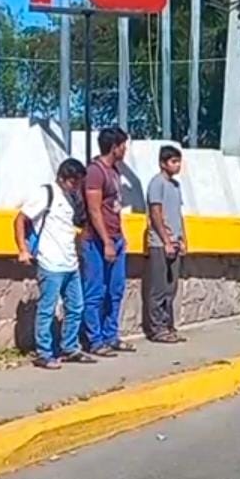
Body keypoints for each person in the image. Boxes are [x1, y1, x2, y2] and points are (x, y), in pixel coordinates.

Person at [13, 158, 96, 369]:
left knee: (76, 306)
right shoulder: (46, 193)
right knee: (47, 309)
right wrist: (23, 249)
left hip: (70, 263)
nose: (76, 186)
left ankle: (69, 346)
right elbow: (20, 219)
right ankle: (44, 352)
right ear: (62, 178)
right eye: (73, 182)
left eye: (79, 182)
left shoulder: (71, 198)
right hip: (50, 262)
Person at [81, 126, 134, 356]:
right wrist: (107, 242)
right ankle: (94, 339)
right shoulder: (95, 172)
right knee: (95, 291)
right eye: (123, 145)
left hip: (116, 237)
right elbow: (94, 210)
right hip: (96, 241)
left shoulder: (115, 171)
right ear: (114, 147)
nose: (125, 150)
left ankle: (111, 334)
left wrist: (119, 237)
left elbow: (114, 208)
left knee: (116, 289)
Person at [143, 145, 186, 343]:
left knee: (171, 288)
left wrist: (183, 238)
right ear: (163, 163)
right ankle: (156, 329)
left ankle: (168, 325)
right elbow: (156, 213)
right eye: (173, 161)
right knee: (158, 287)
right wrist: (166, 240)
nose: (177, 165)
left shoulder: (176, 186)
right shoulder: (156, 184)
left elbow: (178, 213)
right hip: (160, 244)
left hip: (175, 242)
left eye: (178, 161)